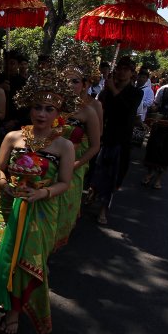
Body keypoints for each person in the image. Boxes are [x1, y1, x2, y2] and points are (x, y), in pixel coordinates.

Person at [0, 69, 76, 334]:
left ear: (57, 112)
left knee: (27, 259)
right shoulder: (13, 137)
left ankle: (15, 310)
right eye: (37, 107)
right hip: (10, 204)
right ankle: (5, 296)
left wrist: (43, 193)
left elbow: (65, 182)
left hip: (42, 209)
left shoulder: (64, 145)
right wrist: (6, 186)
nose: (41, 114)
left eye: (48, 109)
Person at [89, 56, 142, 225]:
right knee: (95, 170)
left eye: (126, 69)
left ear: (132, 73)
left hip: (121, 140)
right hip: (103, 137)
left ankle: (104, 209)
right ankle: (92, 193)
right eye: (120, 68)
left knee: (113, 175)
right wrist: (107, 91)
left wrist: (113, 90)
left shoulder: (136, 93)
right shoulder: (105, 91)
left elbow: (127, 111)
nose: (121, 71)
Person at [54, 59, 101, 250]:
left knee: (63, 211)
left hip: (74, 166)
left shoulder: (89, 111)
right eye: (65, 80)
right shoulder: (51, 105)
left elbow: (95, 145)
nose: (69, 85)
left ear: (85, 85)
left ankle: (50, 250)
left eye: (75, 81)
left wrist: (75, 164)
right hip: (49, 163)